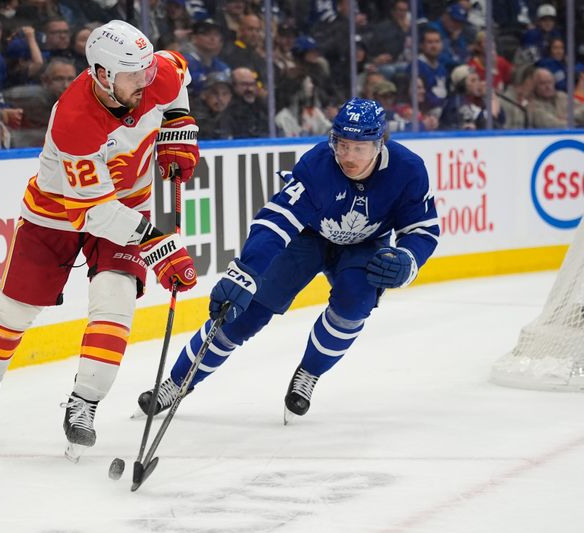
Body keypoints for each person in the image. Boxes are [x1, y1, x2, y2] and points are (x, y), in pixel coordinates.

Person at [0, 20, 200, 459]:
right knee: (14, 310)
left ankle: (84, 404)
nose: (146, 81)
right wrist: (161, 246)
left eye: (147, 71)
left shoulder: (152, 73)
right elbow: (94, 213)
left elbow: (178, 76)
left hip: (128, 205)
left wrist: (178, 125)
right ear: (103, 74)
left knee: (116, 301)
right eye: (134, 75)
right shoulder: (73, 119)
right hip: (57, 213)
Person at [137, 97, 440, 423]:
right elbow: (275, 222)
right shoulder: (317, 166)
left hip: (365, 246)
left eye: (360, 148)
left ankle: (309, 373)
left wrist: (409, 259)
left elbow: (422, 229)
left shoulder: (408, 169)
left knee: (355, 300)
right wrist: (246, 272)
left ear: (381, 143)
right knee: (245, 313)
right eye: (342, 145)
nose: (348, 157)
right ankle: (177, 382)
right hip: (307, 239)